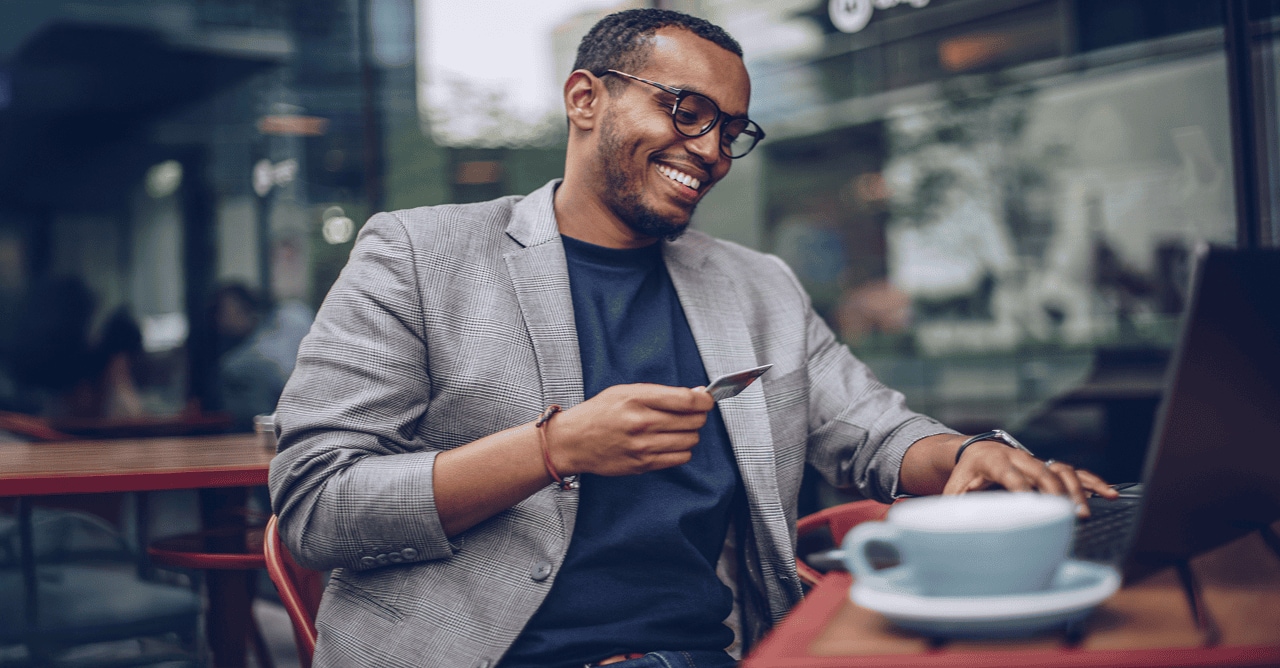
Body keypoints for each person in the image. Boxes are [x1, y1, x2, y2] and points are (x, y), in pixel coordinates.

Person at [268, 9, 1117, 668]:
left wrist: (963, 457)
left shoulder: (756, 286)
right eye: (686, 110)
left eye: (730, 130)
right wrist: (554, 448)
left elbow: (874, 429)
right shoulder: (422, 254)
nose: (709, 150)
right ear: (584, 98)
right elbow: (316, 507)